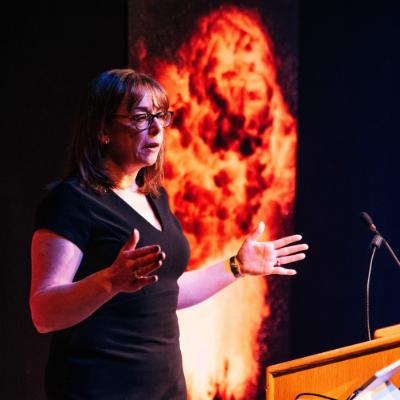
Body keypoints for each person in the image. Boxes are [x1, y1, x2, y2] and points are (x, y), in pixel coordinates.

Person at [30, 68, 308, 400]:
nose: (157, 128)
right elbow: (43, 313)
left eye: (161, 116)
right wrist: (109, 281)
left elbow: (164, 291)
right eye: (140, 117)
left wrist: (237, 266)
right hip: (100, 387)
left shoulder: (155, 197)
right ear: (103, 129)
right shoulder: (72, 200)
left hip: (165, 387)